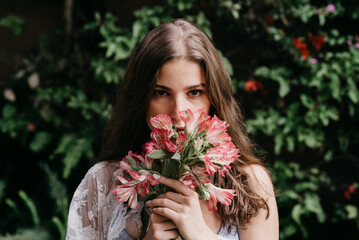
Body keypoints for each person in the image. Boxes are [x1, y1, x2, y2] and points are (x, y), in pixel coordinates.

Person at [66, 19, 279, 240]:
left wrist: (201, 236)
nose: (178, 112)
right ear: (141, 98)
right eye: (161, 93)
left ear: (214, 98)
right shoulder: (103, 183)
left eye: (194, 92)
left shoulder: (249, 184)